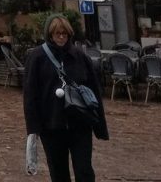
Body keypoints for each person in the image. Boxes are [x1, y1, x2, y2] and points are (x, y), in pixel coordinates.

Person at [22, 15, 108, 182]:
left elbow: (93, 90)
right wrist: (33, 128)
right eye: (57, 34)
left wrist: (100, 126)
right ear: (50, 35)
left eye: (64, 34)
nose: (61, 37)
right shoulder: (37, 57)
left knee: (84, 170)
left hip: (80, 123)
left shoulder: (79, 56)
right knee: (58, 171)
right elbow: (31, 95)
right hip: (52, 125)